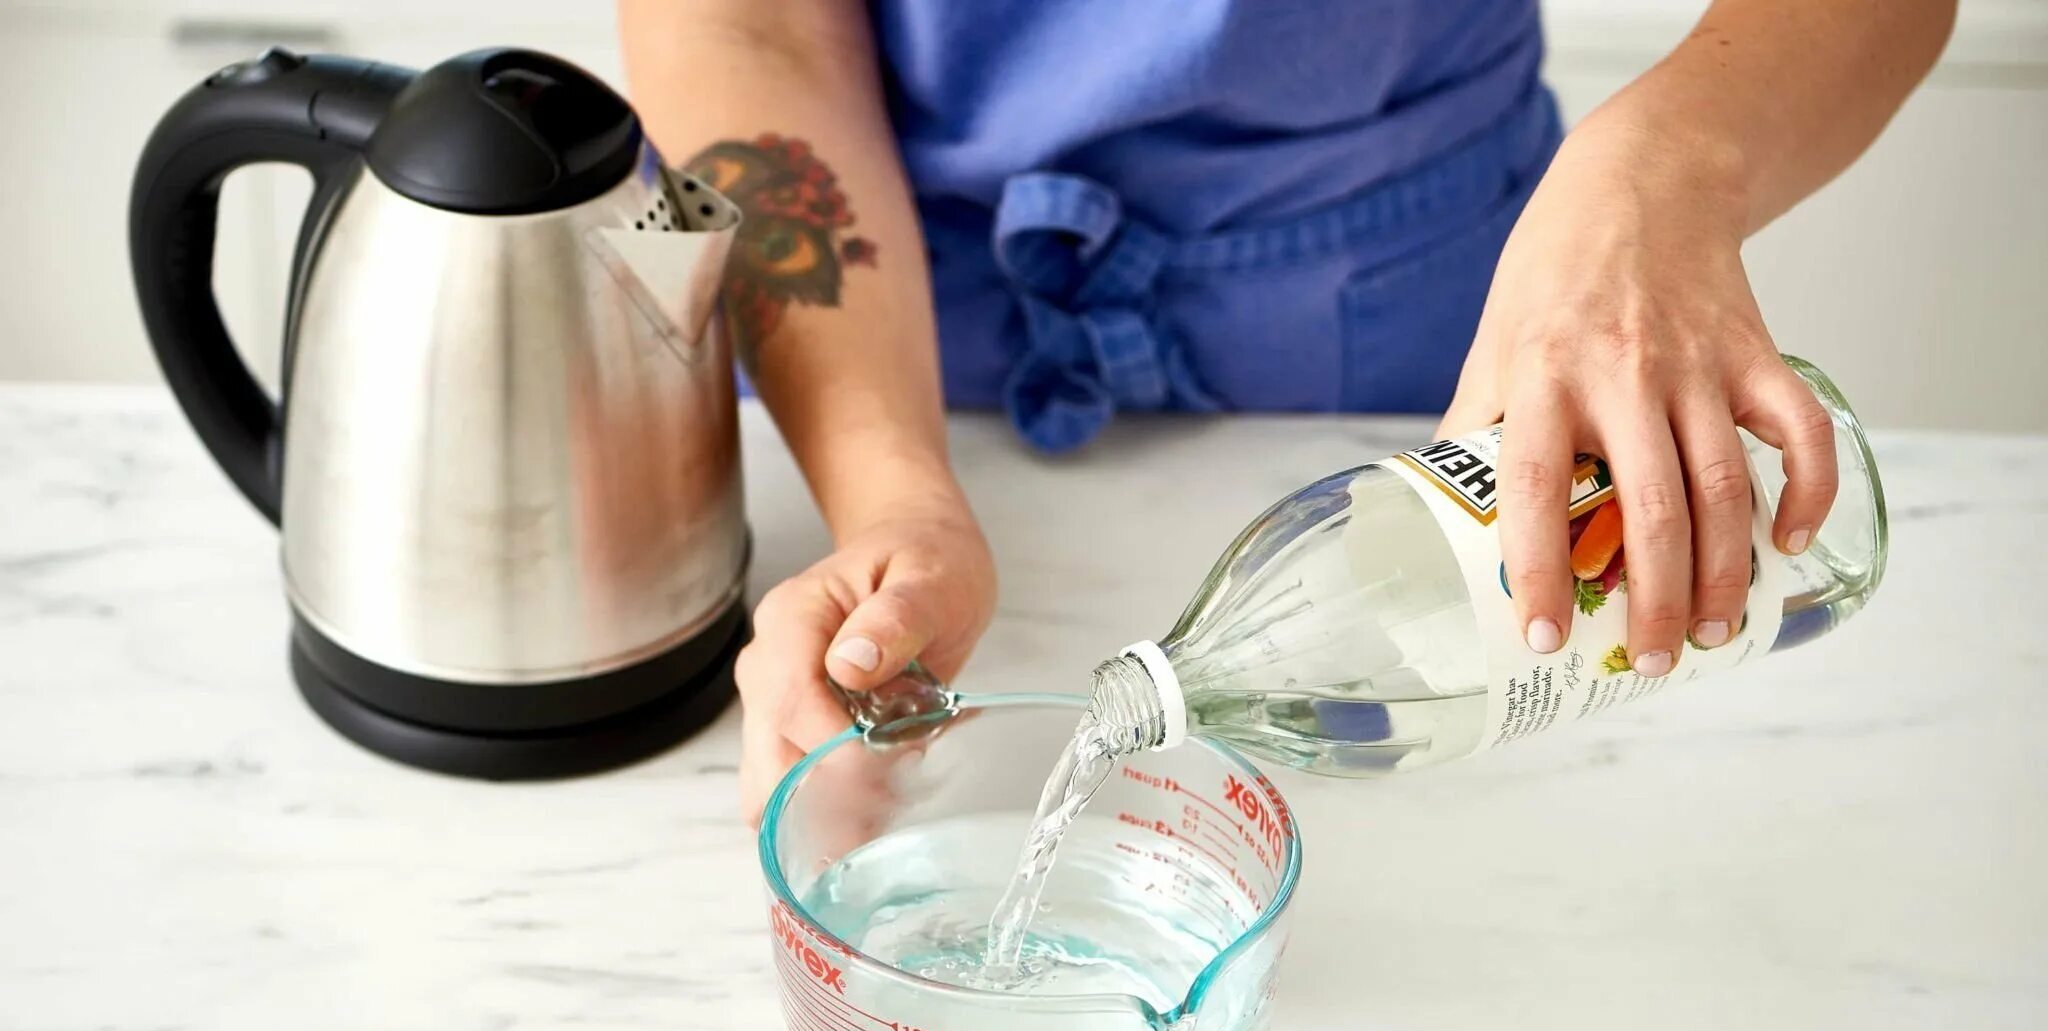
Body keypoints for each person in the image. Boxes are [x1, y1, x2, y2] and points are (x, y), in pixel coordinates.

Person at [618, 0, 1955, 819]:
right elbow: (747, 24)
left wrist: (1659, 175)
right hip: (888, 344)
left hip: (1457, 356)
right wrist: (891, 495)